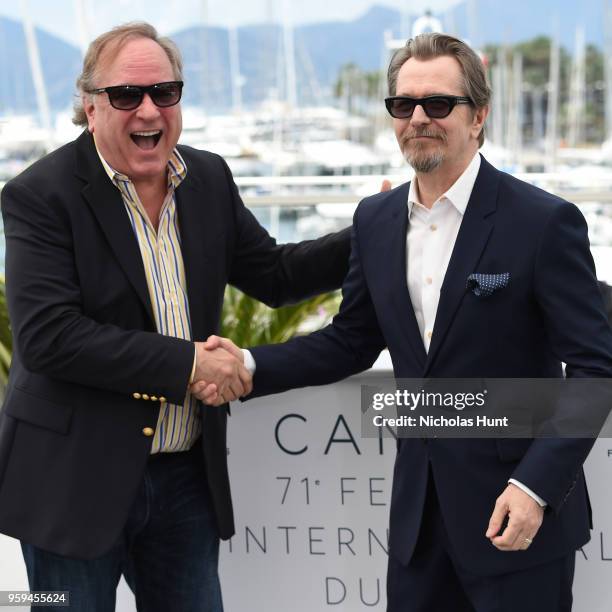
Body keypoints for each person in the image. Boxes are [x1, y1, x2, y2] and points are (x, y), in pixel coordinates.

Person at [195, 33, 612, 611]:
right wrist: (247, 364)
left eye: (438, 104)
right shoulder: (375, 219)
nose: (419, 118)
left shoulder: (543, 222)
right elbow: (352, 340)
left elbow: (594, 367)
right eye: (403, 105)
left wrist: (535, 486)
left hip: (517, 520)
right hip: (417, 527)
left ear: (478, 115)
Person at [0, 22, 351, 612]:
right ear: (89, 106)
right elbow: (49, 339)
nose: (148, 110)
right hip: (71, 487)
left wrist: (377, 229)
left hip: (185, 480)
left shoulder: (208, 178)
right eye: (126, 95)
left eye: (164, 92)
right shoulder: (40, 194)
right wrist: (191, 362)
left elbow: (275, 275)